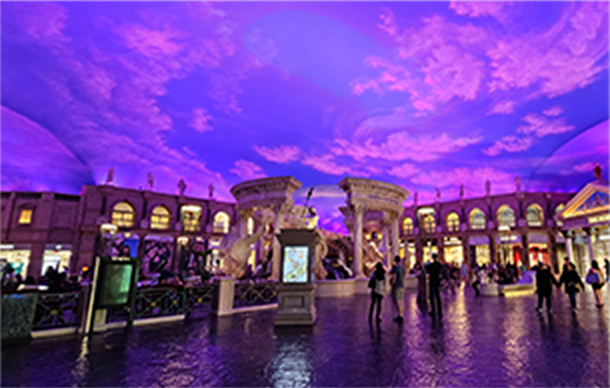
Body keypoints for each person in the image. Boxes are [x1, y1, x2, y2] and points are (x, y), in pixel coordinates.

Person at [389, 256, 406, 323]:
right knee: (401, 300)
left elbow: (394, 277)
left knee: (397, 301)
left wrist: (392, 284)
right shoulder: (403, 268)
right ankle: (401, 314)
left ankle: (400, 315)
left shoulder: (396, 268)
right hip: (401, 285)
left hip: (397, 286)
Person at [426, 253, 443, 318]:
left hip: (432, 282)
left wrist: (428, 263)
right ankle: (440, 311)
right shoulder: (439, 265)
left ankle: (433, 310)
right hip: (437, 282)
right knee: (438, 297)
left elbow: (427, 271)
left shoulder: (431, 265)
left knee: (432, 297)